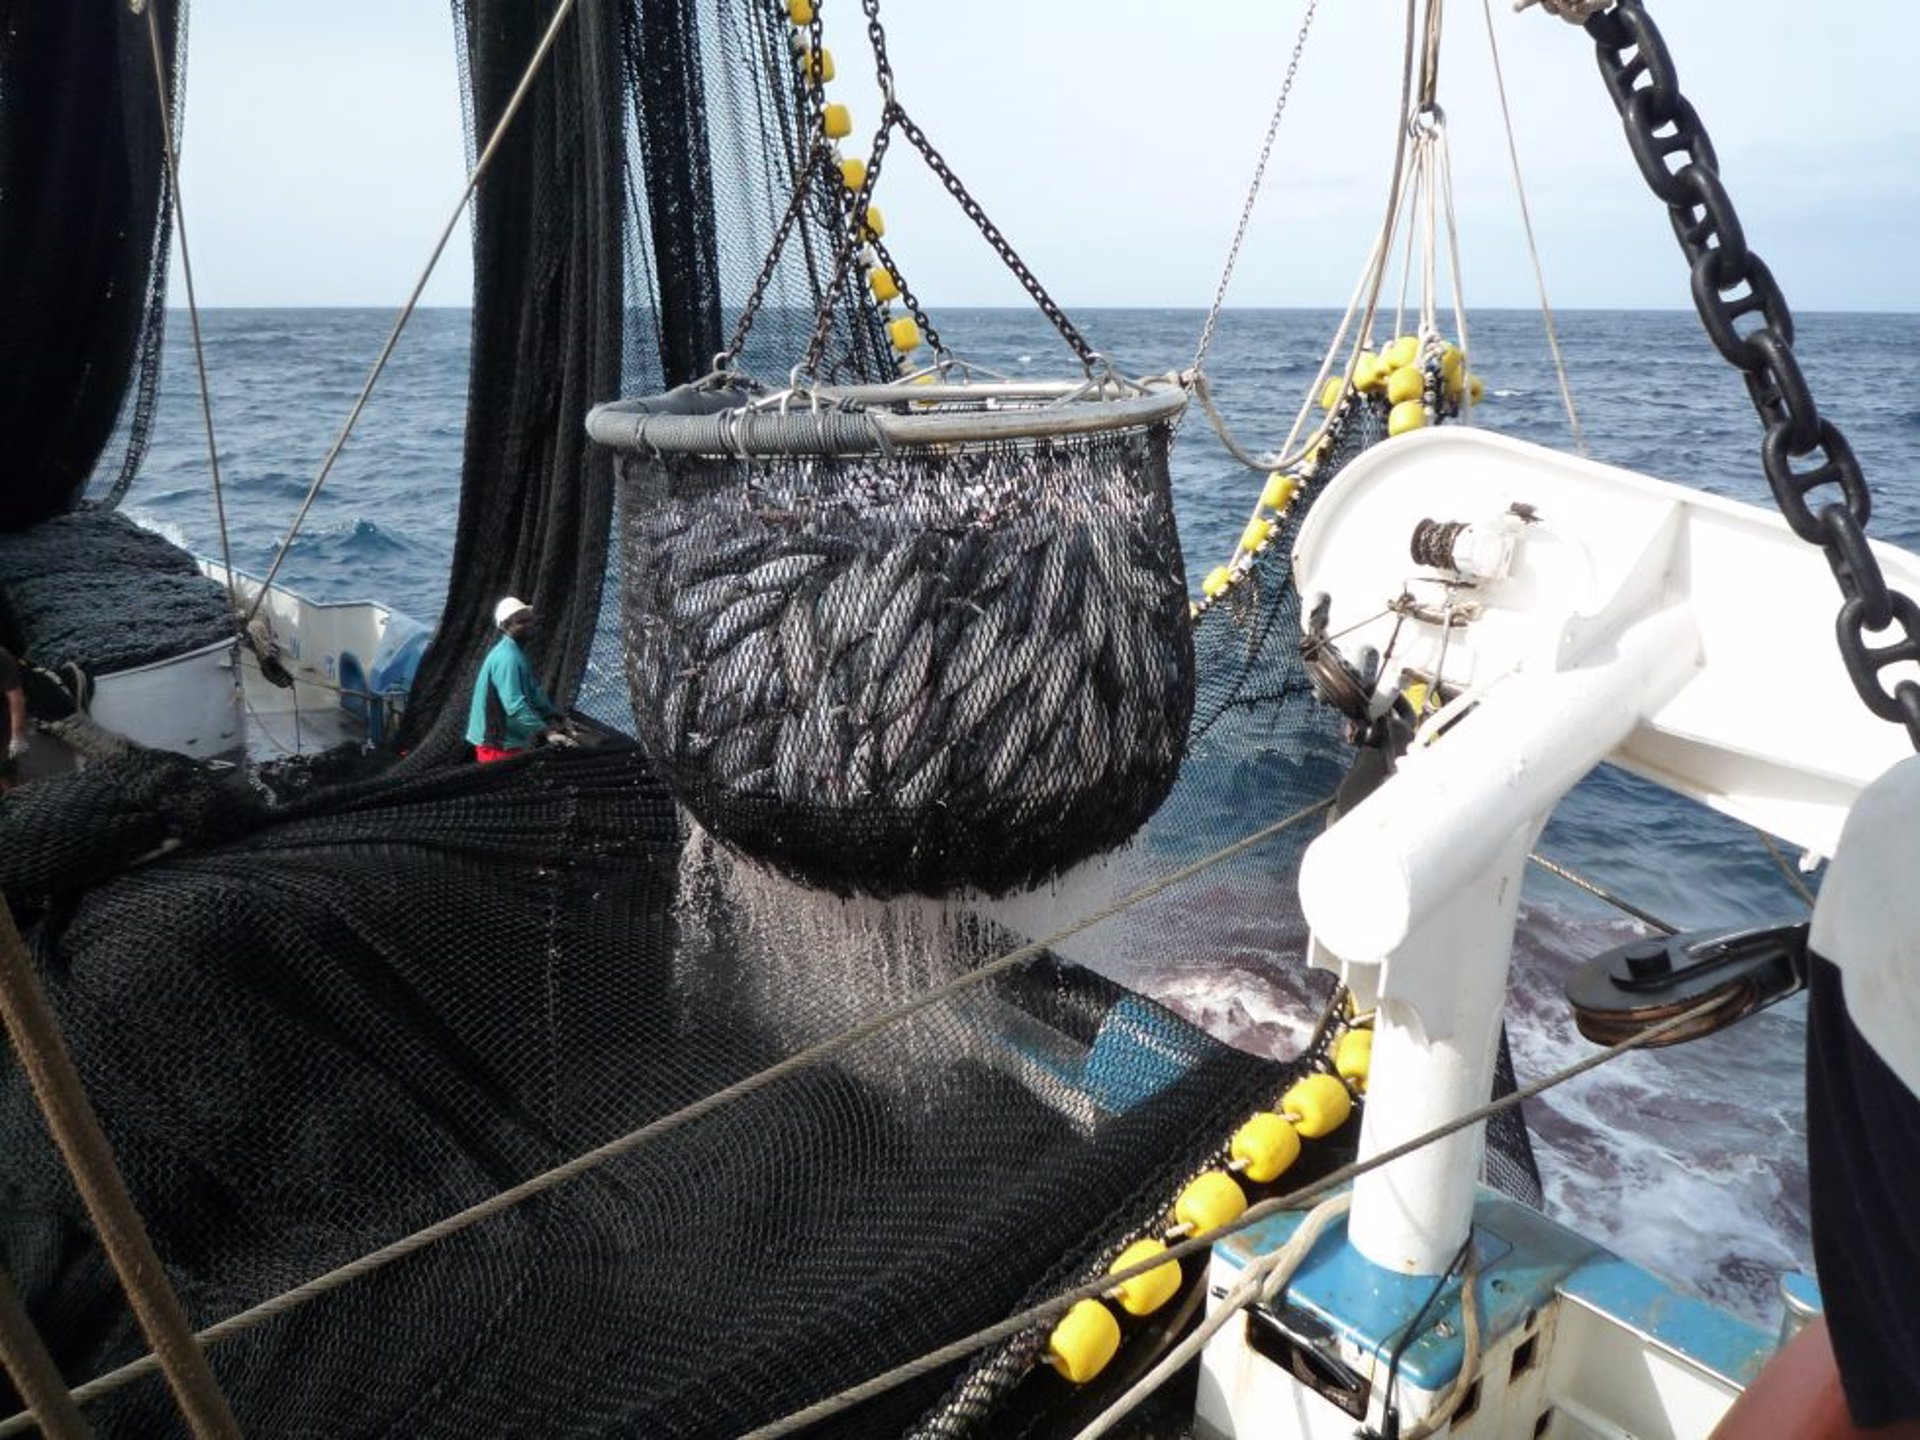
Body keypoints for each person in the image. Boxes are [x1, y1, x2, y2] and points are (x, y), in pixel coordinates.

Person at [465, 596, 576, 763]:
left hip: (510, 742)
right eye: (522, 622)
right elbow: (515, 706)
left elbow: (534, 693)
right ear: (505, 626)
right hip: (496, 746)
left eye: (531, 619)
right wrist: (547, 732)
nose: (530, 625)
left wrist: (555, 715)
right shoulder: (507, 658)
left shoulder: (515, 652)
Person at [0, 643, 28, 771]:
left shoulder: (2, 658)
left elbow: (16, 700)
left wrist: (17, 736)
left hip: (3, 722)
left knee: (6, 770)